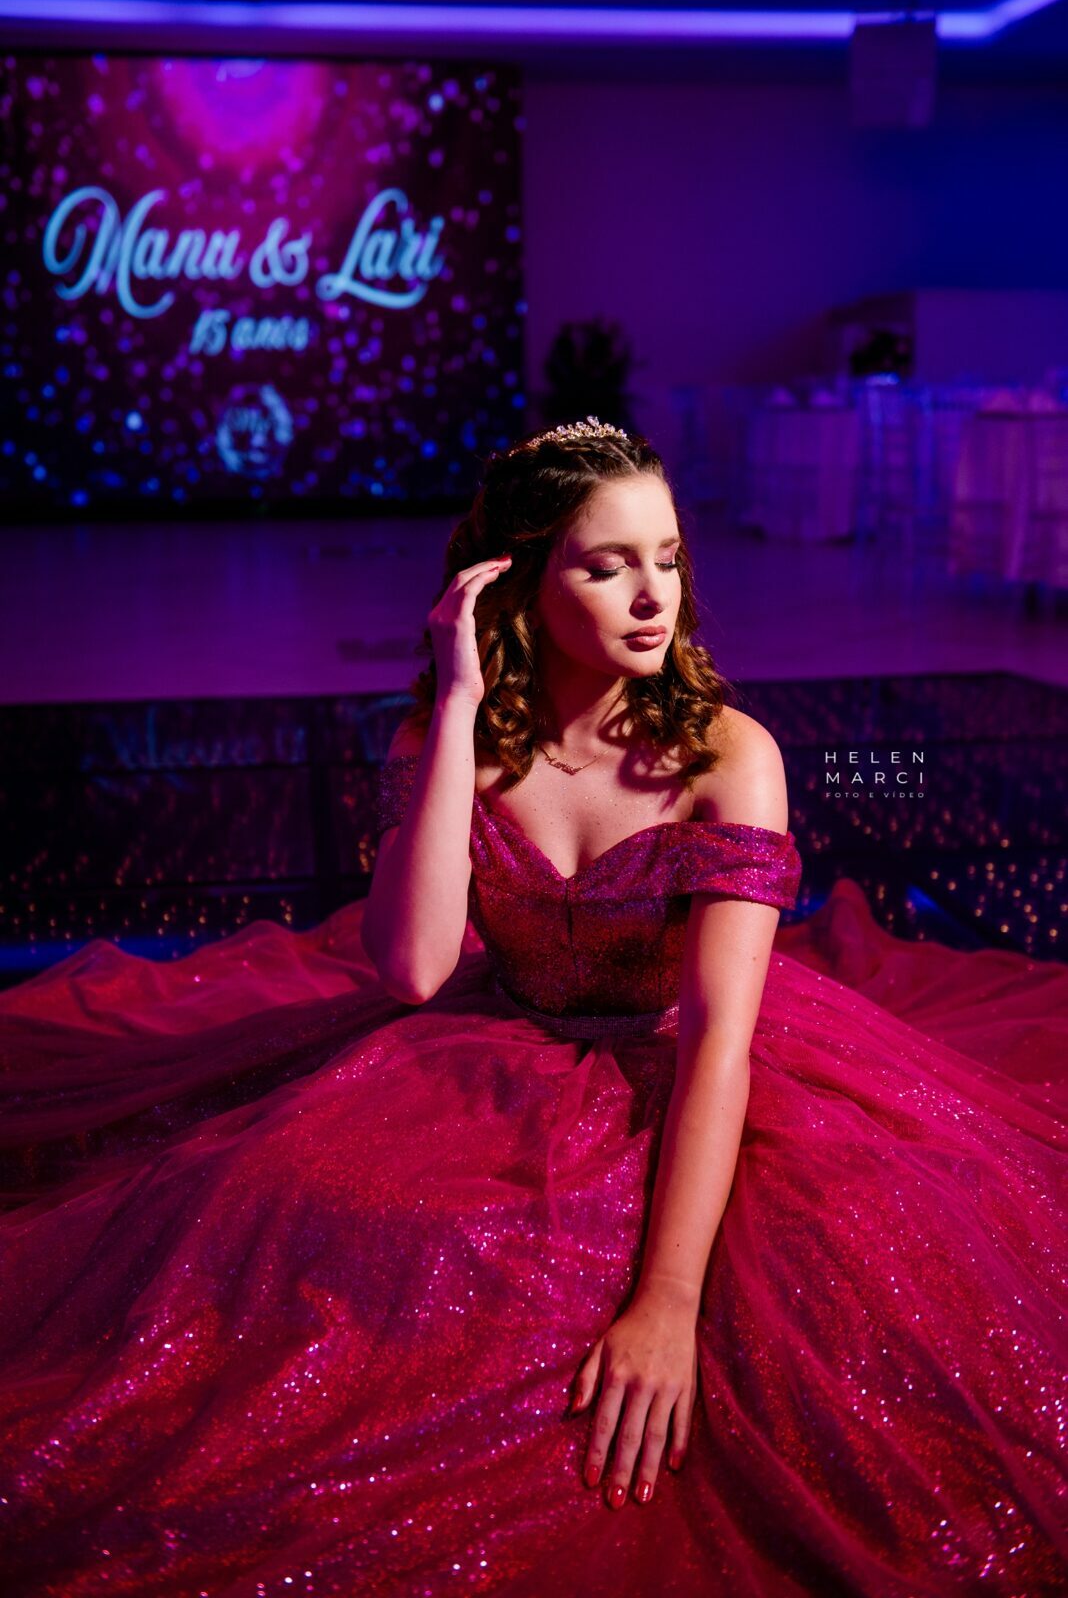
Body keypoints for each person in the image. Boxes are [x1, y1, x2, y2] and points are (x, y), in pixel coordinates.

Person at [0, 419, 1065, 1598]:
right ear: (516, 583)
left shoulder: (728, 756)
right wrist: (458, 707)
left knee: (854, 1278)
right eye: (607, 565)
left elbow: (720, 1042)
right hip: (495, 1039)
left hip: (685, 1053)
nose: (654, 596)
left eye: (668, 558)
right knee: (317, 1209)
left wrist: (668, 1301)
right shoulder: (448, 738)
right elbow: (411, 970)